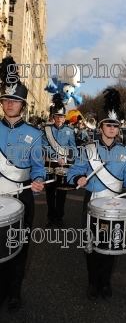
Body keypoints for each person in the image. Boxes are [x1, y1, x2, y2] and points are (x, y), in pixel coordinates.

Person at [67, 88, 126, 300]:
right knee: (92, 245)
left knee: (112, 244)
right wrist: (78, 179)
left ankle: (106, 281)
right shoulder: (88, 149)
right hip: (92, 202)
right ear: (101, 127)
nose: (112, 128)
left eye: (115, 125)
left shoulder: (125, 152)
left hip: (115, 205)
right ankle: (93, 282)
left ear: (119, 128)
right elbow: (73, 172)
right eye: (108, 124)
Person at [0, 56, 45, 311]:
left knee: (19, 248)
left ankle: (14, 291)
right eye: (6, 100)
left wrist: (38, 182)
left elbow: (38, 169)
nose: (9, 104)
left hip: (21, 198)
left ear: (22, 106)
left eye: (14, 101)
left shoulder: (35, 135)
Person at [42, 94, 77, 227]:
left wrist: (69, 158)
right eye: (57, 116)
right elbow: (44, 145)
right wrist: (57, 156)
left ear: (64, 117)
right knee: (50, 192)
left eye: (61, 117)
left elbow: (73, 148)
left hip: (64, 164)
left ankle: (59, 217)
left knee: (62, 191)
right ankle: (50, 217)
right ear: (53, 117)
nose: (59, 119)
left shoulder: (69, 130)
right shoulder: (47, 129)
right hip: (50, 163)